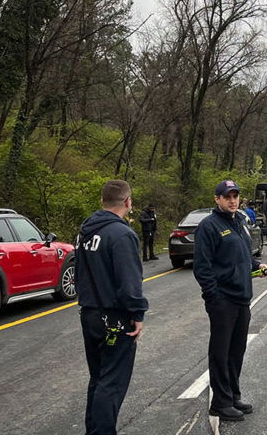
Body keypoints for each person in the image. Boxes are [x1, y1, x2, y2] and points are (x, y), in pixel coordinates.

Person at [193, 180, 267, 427]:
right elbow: (202, 268)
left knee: (236, 352)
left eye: (235, 196)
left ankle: (233, 396)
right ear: (217, 199)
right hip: (222, 301)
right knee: (221, 352)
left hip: (242, 299)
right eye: (227, 197)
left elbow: (244, 257)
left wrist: (257, 267)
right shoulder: (209, 226)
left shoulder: (239, 222)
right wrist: (213, 296)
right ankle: (221, 402)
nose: (232, 200)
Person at [76, 179, 148, 435]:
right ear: (128, 202)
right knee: (112, 383)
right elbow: (129, 283)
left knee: (98, 378)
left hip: (89, 312)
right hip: (115, 317)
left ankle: (93, 430)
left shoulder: (85, 232)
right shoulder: (122, 235)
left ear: (103, 201)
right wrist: (137, 314)